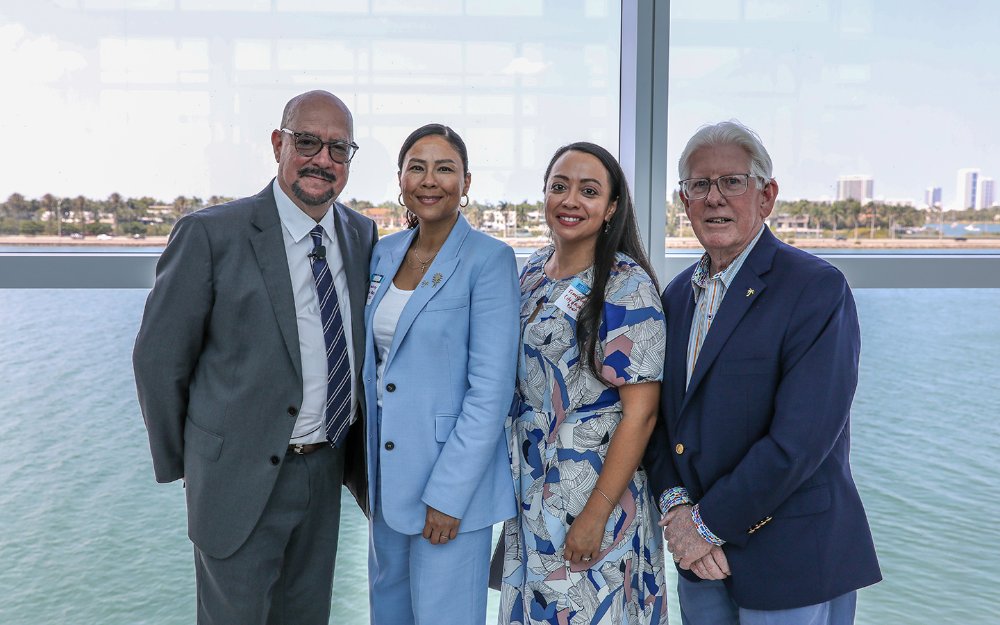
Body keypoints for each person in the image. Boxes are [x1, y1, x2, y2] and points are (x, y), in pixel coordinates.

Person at [132, 90, 377, 625]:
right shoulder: (210, 234)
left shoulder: (360, 234)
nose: (323, 160)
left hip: (325, 471)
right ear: (278, 144)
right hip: (235, 482)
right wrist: (197, 464)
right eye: (307, 142)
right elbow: (158, 361)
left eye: (339, 149)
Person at [643, 120, 881, 625]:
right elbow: (660, 421)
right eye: (699, 186)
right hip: (700, 563)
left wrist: (705, 526)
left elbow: (800, 441)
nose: (714, 198)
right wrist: (677, 509)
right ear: (683, 202)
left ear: (767, 195)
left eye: (731, 182)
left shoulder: (817, 289)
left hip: (791, 556)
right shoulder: (676, 296)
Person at [498, 142, 668, 624]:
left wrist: (596, 513)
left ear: (611, 207)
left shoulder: (625, 286)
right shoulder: (531, 272)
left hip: (594, 491)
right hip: (532, 487)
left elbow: (642, 414)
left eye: (589, 191)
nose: (571, 200)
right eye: (560, 186)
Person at [363, 123, 520, 625]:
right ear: (401, 179)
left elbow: (489, 394)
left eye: (445, 168)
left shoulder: (489, 260)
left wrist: (448, 496)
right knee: (389, 615)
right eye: (417, 167)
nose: (430, 180)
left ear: (466, 182)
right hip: (386, 486)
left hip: (448, 490)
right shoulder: (384, 254)